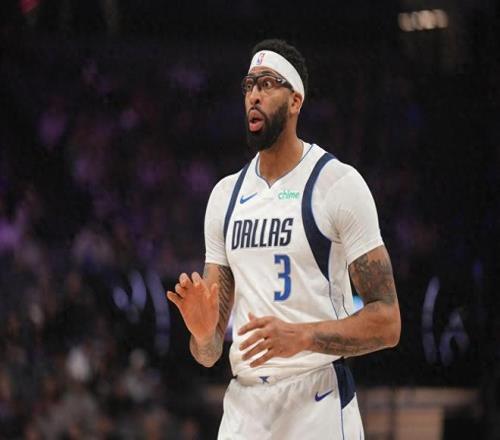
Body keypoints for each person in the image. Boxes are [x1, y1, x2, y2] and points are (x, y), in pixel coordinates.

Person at [166, 39, 401, 439]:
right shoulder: (225, 196)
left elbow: (388, 322)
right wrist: (203, 334)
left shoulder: (338, 184)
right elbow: (208, 355)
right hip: (245, 407)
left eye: (267, 84)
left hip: (317, 399)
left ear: (295, 101)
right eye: (248, 85)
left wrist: (302, 336)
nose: (254, 95)